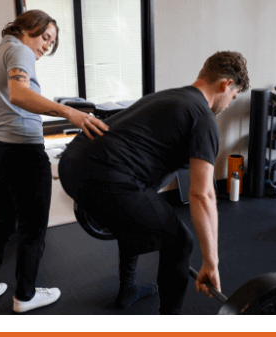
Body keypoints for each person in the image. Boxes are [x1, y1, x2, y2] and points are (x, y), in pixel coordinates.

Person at [58, 51, 250, 315]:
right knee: (180, 241)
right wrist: (211, 262)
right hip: (105, 174)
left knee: (137, 214)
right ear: (226, 84)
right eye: (234, 96)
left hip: (73, 161)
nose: (229, 104)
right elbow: (202, 195)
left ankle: (128, 289)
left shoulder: (171, 96)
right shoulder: (203, 117)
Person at [0, 10, 109, 313]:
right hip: (23, 155)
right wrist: (70, 112)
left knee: (3, 224)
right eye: (45, 37)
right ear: (26, 27)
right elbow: (19, 94)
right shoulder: (19, 50)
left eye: (51, 43)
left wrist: (4, 137)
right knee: (33, 229)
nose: (46, 46)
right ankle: (26, 296)